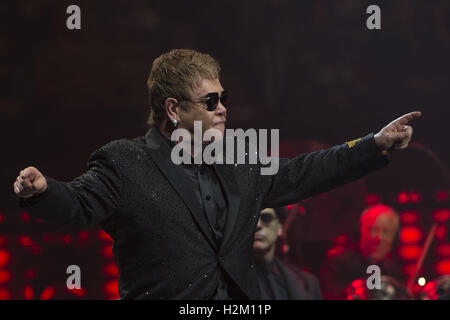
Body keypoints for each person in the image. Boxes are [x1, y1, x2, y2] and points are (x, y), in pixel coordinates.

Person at [13, 49, 421, 299]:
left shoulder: (237, 159)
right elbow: (78, 204)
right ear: (173, 110)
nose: (223, 108)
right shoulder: (124, 162)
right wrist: (44, 190)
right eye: (210, 102)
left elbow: (301, 172)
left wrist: (373, 144)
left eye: (223, 98)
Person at [320, 204, 405, 299]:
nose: (379, 238)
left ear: (395, 237)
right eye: (373, 229)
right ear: (360, 230)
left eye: (386, 232)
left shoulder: (391, 269)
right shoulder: (339, 262)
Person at [254, 207, 322, 299]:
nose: (258, 225)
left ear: (280, 228)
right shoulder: (230, 282)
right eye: (252, 219)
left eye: (266, 218)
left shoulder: (308, 283)